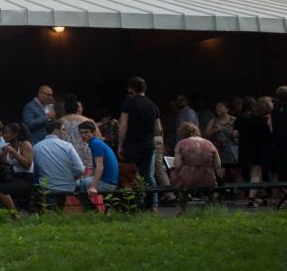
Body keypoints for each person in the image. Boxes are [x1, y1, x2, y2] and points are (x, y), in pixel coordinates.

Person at [118, 77, 162, 210]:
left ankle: (131, 205)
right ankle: (151, 206)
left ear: (131, 89)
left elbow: (123, 126)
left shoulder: (128, 103)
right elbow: (158, 129)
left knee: (129, 174)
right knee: (147, 175)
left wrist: (120, 145)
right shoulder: (152, 104)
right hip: (149, 144)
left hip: (133, 144)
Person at [0, 122, 36, 213]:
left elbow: (27, 165)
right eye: (3, 133)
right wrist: (1, 154)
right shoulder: (8, 147)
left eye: (6, 133)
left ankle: (15, 216)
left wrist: (14, 152)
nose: (3, 135)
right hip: (12, 177)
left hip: (25, 180)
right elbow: (3, 164)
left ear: (15, 135)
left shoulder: (25, 144)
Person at [33, 120, 85, 207]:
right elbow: (80, 169)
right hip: (67, 187)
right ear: (56, 130)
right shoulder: (67, 146)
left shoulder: (36, 147)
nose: (64, 133)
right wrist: (72, 178)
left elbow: (34, 170)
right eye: (63, 129)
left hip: (46, 188)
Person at [235, 97, 273, 207]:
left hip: (244, 149)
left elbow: (235, 134)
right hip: (256, 148)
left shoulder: (240, 118)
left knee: (256, 174)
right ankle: (251, 200)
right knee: (256, 174)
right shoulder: (258, 118)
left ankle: (263, 197)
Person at [75, 120, 119, 210]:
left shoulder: (95, 144)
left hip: (107, 183)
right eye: (81, 133)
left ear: (94, 132)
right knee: (81, 183)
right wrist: (86, 179)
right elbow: (95, 167)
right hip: (110, 182)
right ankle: (96, 211)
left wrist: (93, 187)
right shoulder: (95, 142)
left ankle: (92, 211)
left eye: (86, 132)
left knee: (74, 185)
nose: (83, 135)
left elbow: (100, 166)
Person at [170, 122, 221, 193]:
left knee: (173, 173)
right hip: (208, 179)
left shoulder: (181, 144)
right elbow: (218, 165)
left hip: (187, 180)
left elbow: (177, 166)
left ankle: (182, 201)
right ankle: (213, 201)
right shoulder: (209, 143)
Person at [205, 101, 240, 183]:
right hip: (219, 149)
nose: (218, 109)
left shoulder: (233, 119)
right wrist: (215, 130)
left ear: (227, 109)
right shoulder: (214, 120)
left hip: (232, 149)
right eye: (217, 107)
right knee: (219, 172)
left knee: (235, 173)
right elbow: (206, 134)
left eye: (220, 106)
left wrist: (223, 129)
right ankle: (217, 194)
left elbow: (236, 134)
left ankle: (240, 193)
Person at [59, 93, 92, 168]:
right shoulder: (87, 121)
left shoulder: (59, 122)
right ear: (77, 108)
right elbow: (97, 138)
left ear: (64, 108)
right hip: (85, 158)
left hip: (66, 159)